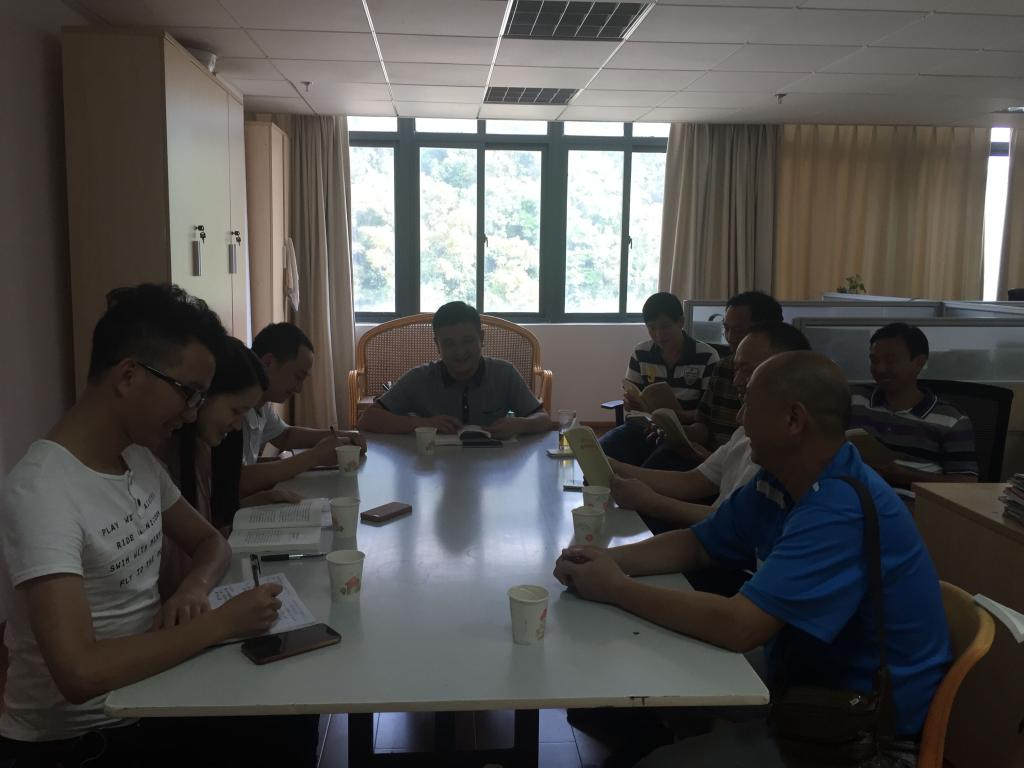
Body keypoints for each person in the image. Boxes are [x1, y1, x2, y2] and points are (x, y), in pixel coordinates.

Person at [555, 352, 951, 768]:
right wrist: (602, 561)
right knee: (612, 690)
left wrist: (616, 588)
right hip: (801, 673)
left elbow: (740, 627)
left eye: (749, 405)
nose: (740, 418)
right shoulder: (780, 479)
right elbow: (699, 544)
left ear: (793, 420)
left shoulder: (840, 507)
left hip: (857, 725)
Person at [0, 285, 285, 766]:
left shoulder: (137, 461)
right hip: (80, 741)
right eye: (187, 393)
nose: (192, 413)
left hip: (149, 697)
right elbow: (79, 674)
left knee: (288, 718)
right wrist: (219, 623)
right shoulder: (42, 490)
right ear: (129, 375)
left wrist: (194, 588)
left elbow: (210, 542)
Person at [609, 323, 811, 534]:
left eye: (748, 370)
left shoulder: (783, 457)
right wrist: (614, 466)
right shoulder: (743, 433)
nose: (737, 380)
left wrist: (650, 502)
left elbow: (732, 525)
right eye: (737, 369)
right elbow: (693, 481)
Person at [357, 301, 552, 439]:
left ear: (481, 338)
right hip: (433, 469)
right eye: (449, 343)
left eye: (468, 341)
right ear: (437, 345)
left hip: (492, 470)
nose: (460, 352)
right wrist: (425, 424)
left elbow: (543, 418)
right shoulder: (419, 378)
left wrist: (519, 424)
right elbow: (368, 419)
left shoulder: (504, 373)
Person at [239, 322, 366, 497]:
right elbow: (238, 479)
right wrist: (314, 457)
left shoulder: (262, 403)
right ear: (268, 363)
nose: (298, 389)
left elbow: (285, 436)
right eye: (298, 377)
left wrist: (342, 435)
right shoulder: (235, 406)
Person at [850, 322, 978, 494]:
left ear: (919, 363)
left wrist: (909, 476)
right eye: (874, 360)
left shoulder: (951, 419)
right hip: (856, 496)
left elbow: (968, 484)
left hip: (913, 503)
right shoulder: (857, 400)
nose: (879, 369)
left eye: (890, 361)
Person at [599, 292, 718, 469]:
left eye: (665, 327)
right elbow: (633, 400)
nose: (659, 335)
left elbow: (710, 414)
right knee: (601, 451)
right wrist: (631, 403)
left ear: (681, 322)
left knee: (653, 466)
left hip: (682, 433)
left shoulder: (707, 356)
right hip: (642, 428)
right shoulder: (641, 353)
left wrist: (673, 416)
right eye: (652, 328)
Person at [676, 291, 784, 460]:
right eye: (726, 328)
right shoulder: (723, 367)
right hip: (710, 460)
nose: (730, 337)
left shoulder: (784, 378)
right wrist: (679, 433)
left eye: (739, 330)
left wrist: (710, 461)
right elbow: (704, 425)